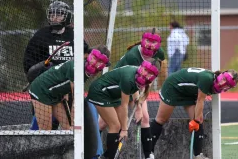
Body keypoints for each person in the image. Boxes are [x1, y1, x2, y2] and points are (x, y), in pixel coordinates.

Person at [99, 27, 166, 159]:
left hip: (136, 87)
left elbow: (158, 67)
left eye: (153, 42)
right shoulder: (133, 57)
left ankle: (149, 155)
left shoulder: (159, 53)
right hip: (117, 86)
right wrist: (138, 108)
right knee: (104, 123)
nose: (149, 45)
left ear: (158, 44)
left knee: (145, 118)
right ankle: (91, 148)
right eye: (147, 41)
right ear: (142, 40)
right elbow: (133, 87)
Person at [150, 68, 238, 159]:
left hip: (188, 93)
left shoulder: (214, 84)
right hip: (173, 86)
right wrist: (195, 121)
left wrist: (197, 120)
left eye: (227, 84)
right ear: (222, 75)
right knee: (161, 119)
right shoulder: (207, 79)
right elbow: (200, 101)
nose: (222, 83)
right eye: (224, 79)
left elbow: (198, 102)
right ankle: (148, 152)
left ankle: (198, 155)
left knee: (199, 119)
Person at [86, 60, 160, 159]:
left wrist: (138, 109)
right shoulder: (128, 78)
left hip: (111, 94)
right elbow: (124, 105)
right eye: (145, 70)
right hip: (100, 92)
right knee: (116, 125)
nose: (145, 73)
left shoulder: (138, 76)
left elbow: (134, 90)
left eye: (149, 73)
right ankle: (107, 157)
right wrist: (125, 129)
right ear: (142, 67)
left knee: (118, 124)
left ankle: (106, 155)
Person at [28, 45, 110, 130]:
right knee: (46, 130)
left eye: (100, 62)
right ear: (90, 56)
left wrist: (64, 92)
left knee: (68, 128)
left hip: (55, 94)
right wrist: (76, 124)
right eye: (95, 59)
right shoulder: (77, 68)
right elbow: (76, 102)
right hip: (41, 91)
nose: (96, 63)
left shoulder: (85, 70)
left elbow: (65, 78)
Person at [23, 0, 74, 130]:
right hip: (45, 87)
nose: (54, 17)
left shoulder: (73, 35)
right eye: (52, 14)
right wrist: (38, 75)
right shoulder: (41, 35)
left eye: (59, 14)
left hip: (67, 88)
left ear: (67, 16)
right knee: (45, 125)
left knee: (69, 126)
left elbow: (85, 56)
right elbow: (28, 63)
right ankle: (35, 147)